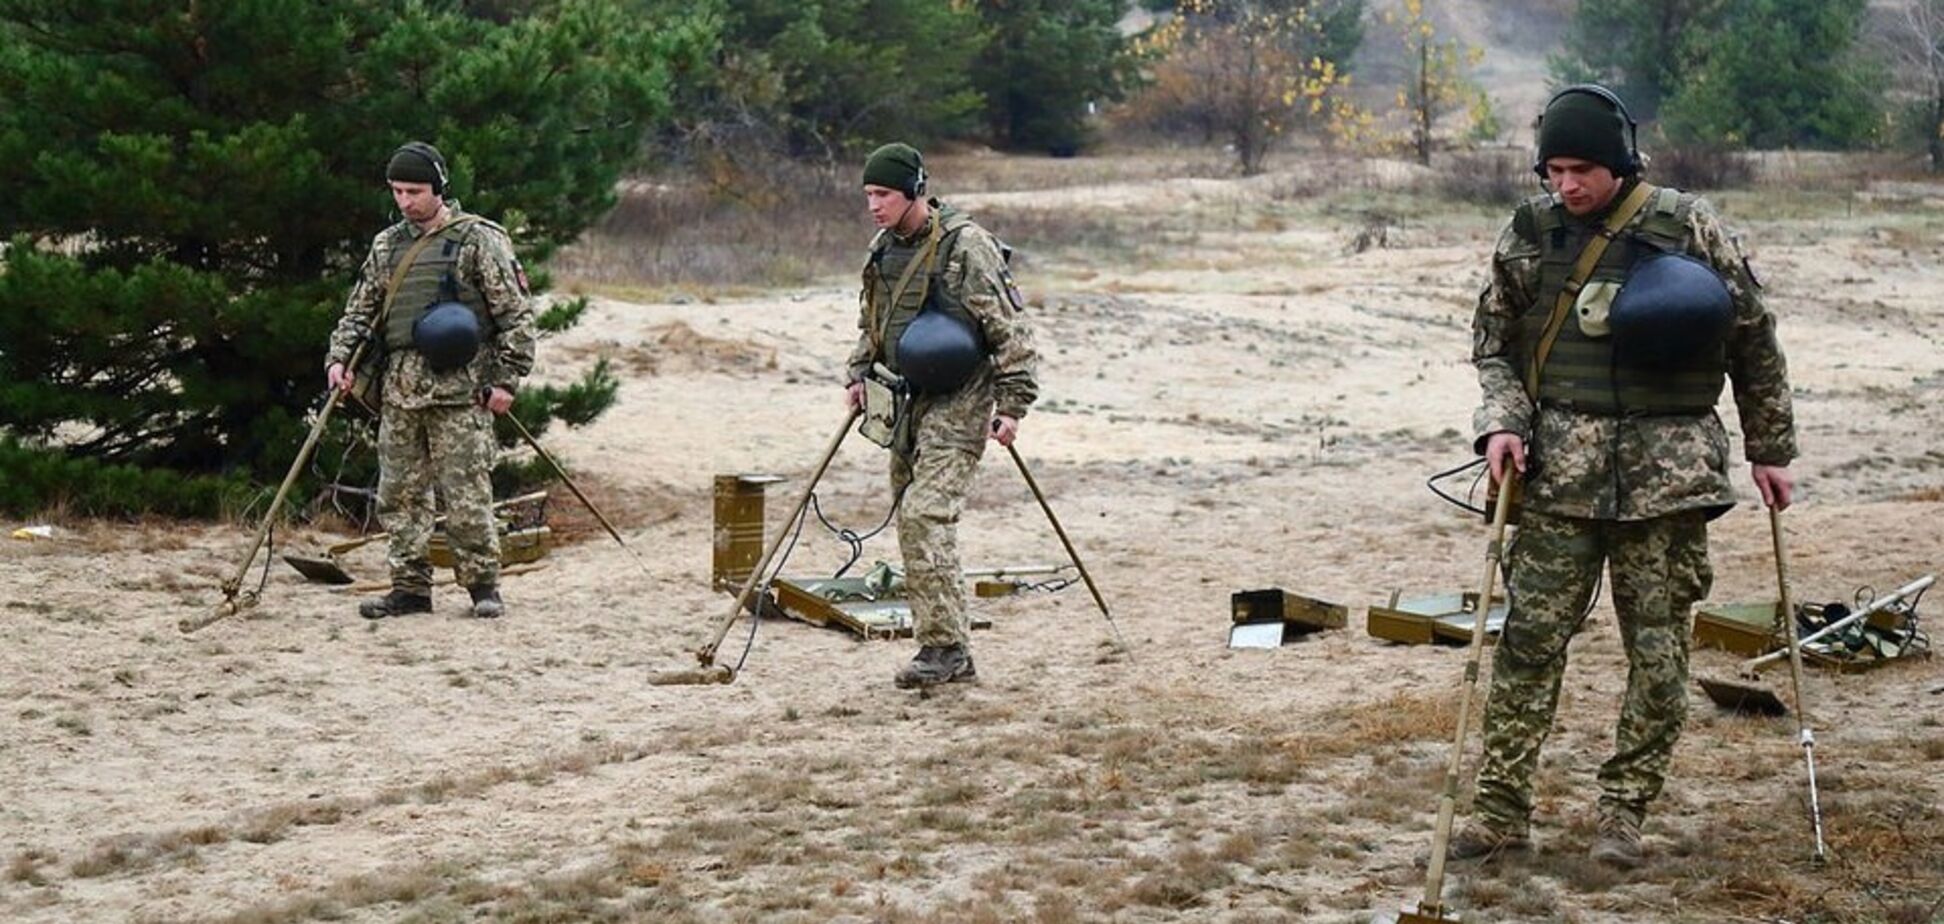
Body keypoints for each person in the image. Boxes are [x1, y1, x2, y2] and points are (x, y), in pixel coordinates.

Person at [1454, 86, 1796, 867]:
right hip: (1556, 479)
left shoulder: (1688, 225)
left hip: (1666, 479)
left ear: (1619, 163)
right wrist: (1503, 420)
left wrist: (1769, 448)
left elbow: (1754, 341)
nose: (1566, 186)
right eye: (1554, 170)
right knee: (1530, 645)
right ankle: (1500, 812)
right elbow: (1493, 341)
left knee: (1658, 649)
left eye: (1582, 170)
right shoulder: (1530, 232)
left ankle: (1624, 813)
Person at [842, 142, 1040, 688]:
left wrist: (1013, 405)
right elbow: (873, 324)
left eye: (882, 194)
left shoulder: (966, 247)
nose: (873, 206)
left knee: (926, 514)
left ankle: (945, 648)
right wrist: (858, 374)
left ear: (914, 190)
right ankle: (945, 648)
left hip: (962, 395)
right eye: (868, 195)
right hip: (905, 399)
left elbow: (1010, 329)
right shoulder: (882, 249)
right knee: (910, 516)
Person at [325, 142, 536, 620]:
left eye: (415, 191)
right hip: (400, 390)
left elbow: (516, 317)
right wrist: (339, 360)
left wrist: (506, 380)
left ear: (439, 188)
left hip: (463, 389)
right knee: (399, 493)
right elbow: (359, 312)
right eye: (397, 191)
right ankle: (409, 588)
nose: (405, 201)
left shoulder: (479, 239)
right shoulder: (387, 246)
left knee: (465, 491)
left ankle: (483, 586)